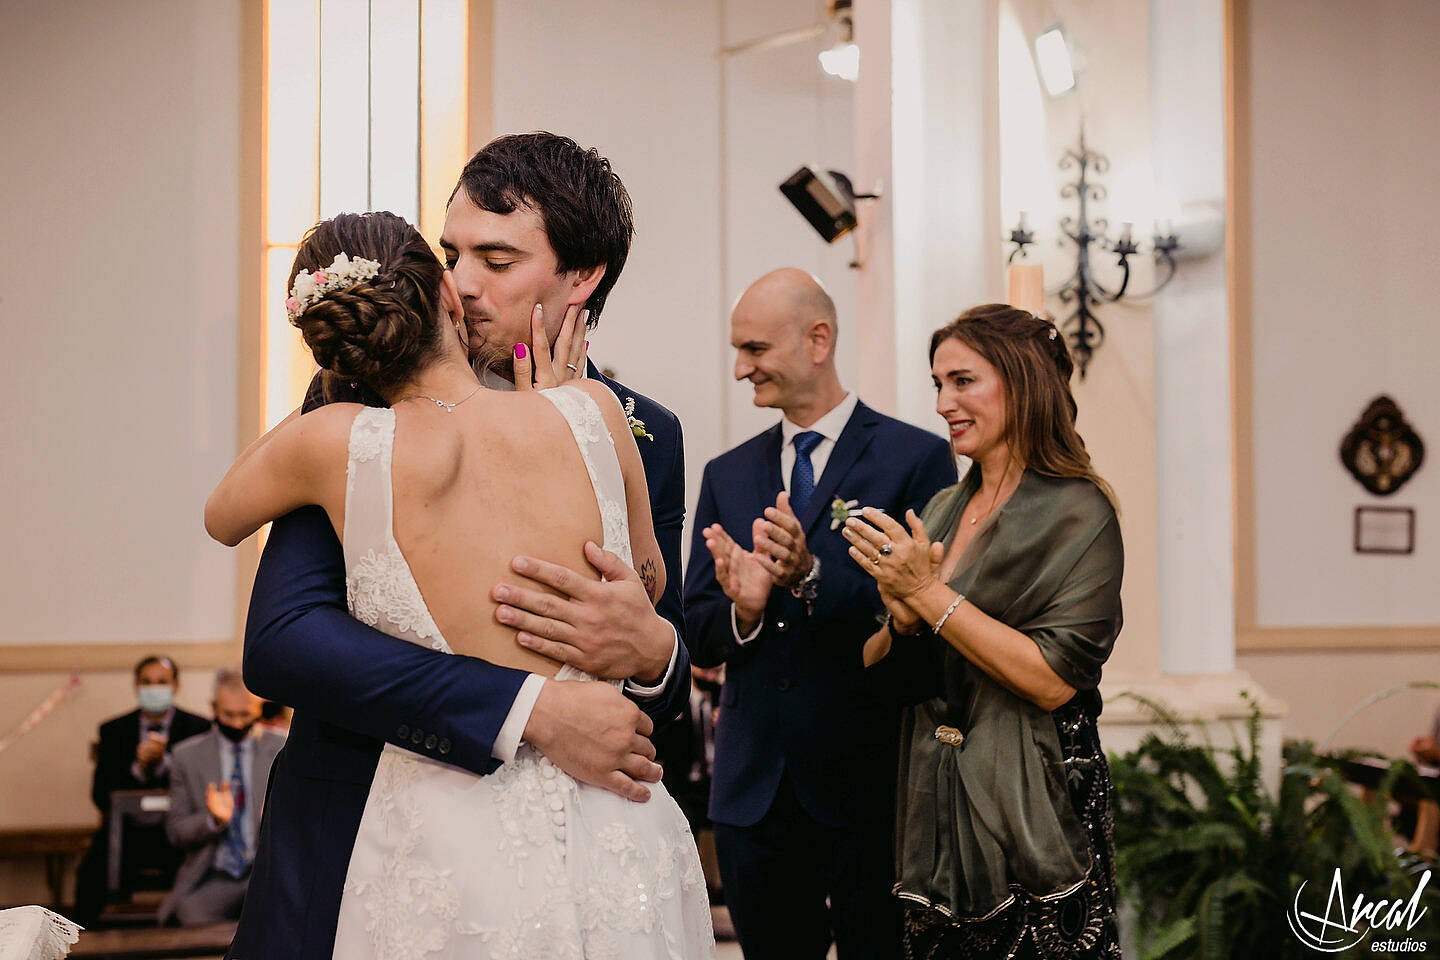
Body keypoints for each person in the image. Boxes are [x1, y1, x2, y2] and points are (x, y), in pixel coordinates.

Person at [228, 134, 693, 958]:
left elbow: (665, 674)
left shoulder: (635, 426)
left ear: (581, 277)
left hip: (588, 861)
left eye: (497, 259)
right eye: (451, 252)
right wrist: (529, 710)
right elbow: (285, 641)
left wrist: (656, 652)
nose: (460, 283)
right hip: (368, 849)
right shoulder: (357, 403)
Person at [683, 268, 956, 959]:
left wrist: (810, 576)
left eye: (755, 348)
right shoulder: (728, 473)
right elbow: (698, 625)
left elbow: (920, 616)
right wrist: (744, 612)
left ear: (818, 339)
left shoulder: (914, 459)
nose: (741, 369)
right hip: (753, 794)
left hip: (866, 786)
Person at [843, 303, 1124, 960]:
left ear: (1021, 382)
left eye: (963, 381)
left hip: (1035, 814)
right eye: (938, 383)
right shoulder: (944, 506)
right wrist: (904, 620)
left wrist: (927, 594)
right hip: (933, 813)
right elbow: (880, 661)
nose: (943, 402)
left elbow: (1054, 680)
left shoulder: (1080, 512)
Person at [73, 655, 210, 926]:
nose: (154, 688)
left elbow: (204, 792)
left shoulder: (199, 729)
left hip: (176, 834)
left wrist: (167, 764)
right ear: (136, 685)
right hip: (126, 834)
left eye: (161, 682)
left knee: (201, 872)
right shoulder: (114, 730)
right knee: (91, 874)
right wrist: (138, 767)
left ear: (176, 686)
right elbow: (100, 796)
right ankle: (88, 946)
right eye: (147, 682)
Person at [159, 668, 284, 925]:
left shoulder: (283, 749)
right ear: (214, 707)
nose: (237, 723)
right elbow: (175, 832)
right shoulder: (186, 756)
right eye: (228, 715)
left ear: (260, 708)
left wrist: (278, 818)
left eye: (245, 715)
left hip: (268, 873)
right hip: (213, 876)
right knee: (190, 913)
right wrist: (213, 820)